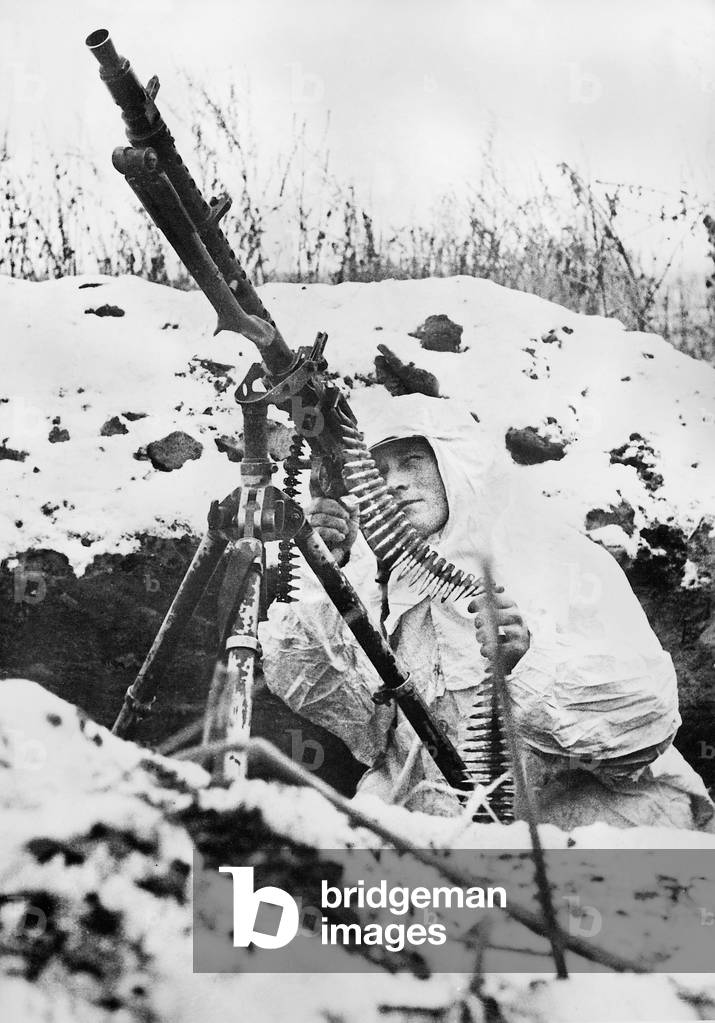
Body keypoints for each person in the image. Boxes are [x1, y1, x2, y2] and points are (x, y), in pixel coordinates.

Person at [260, 394, 714, 830]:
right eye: (379, 470)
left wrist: (531, 663)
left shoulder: (559, 558)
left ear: (458, 463)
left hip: (578, 822)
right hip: (438, 824)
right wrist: (325, 569)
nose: (394, 482)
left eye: (413, 462)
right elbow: (335, 705)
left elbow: (645, 728)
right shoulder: (380, 583)